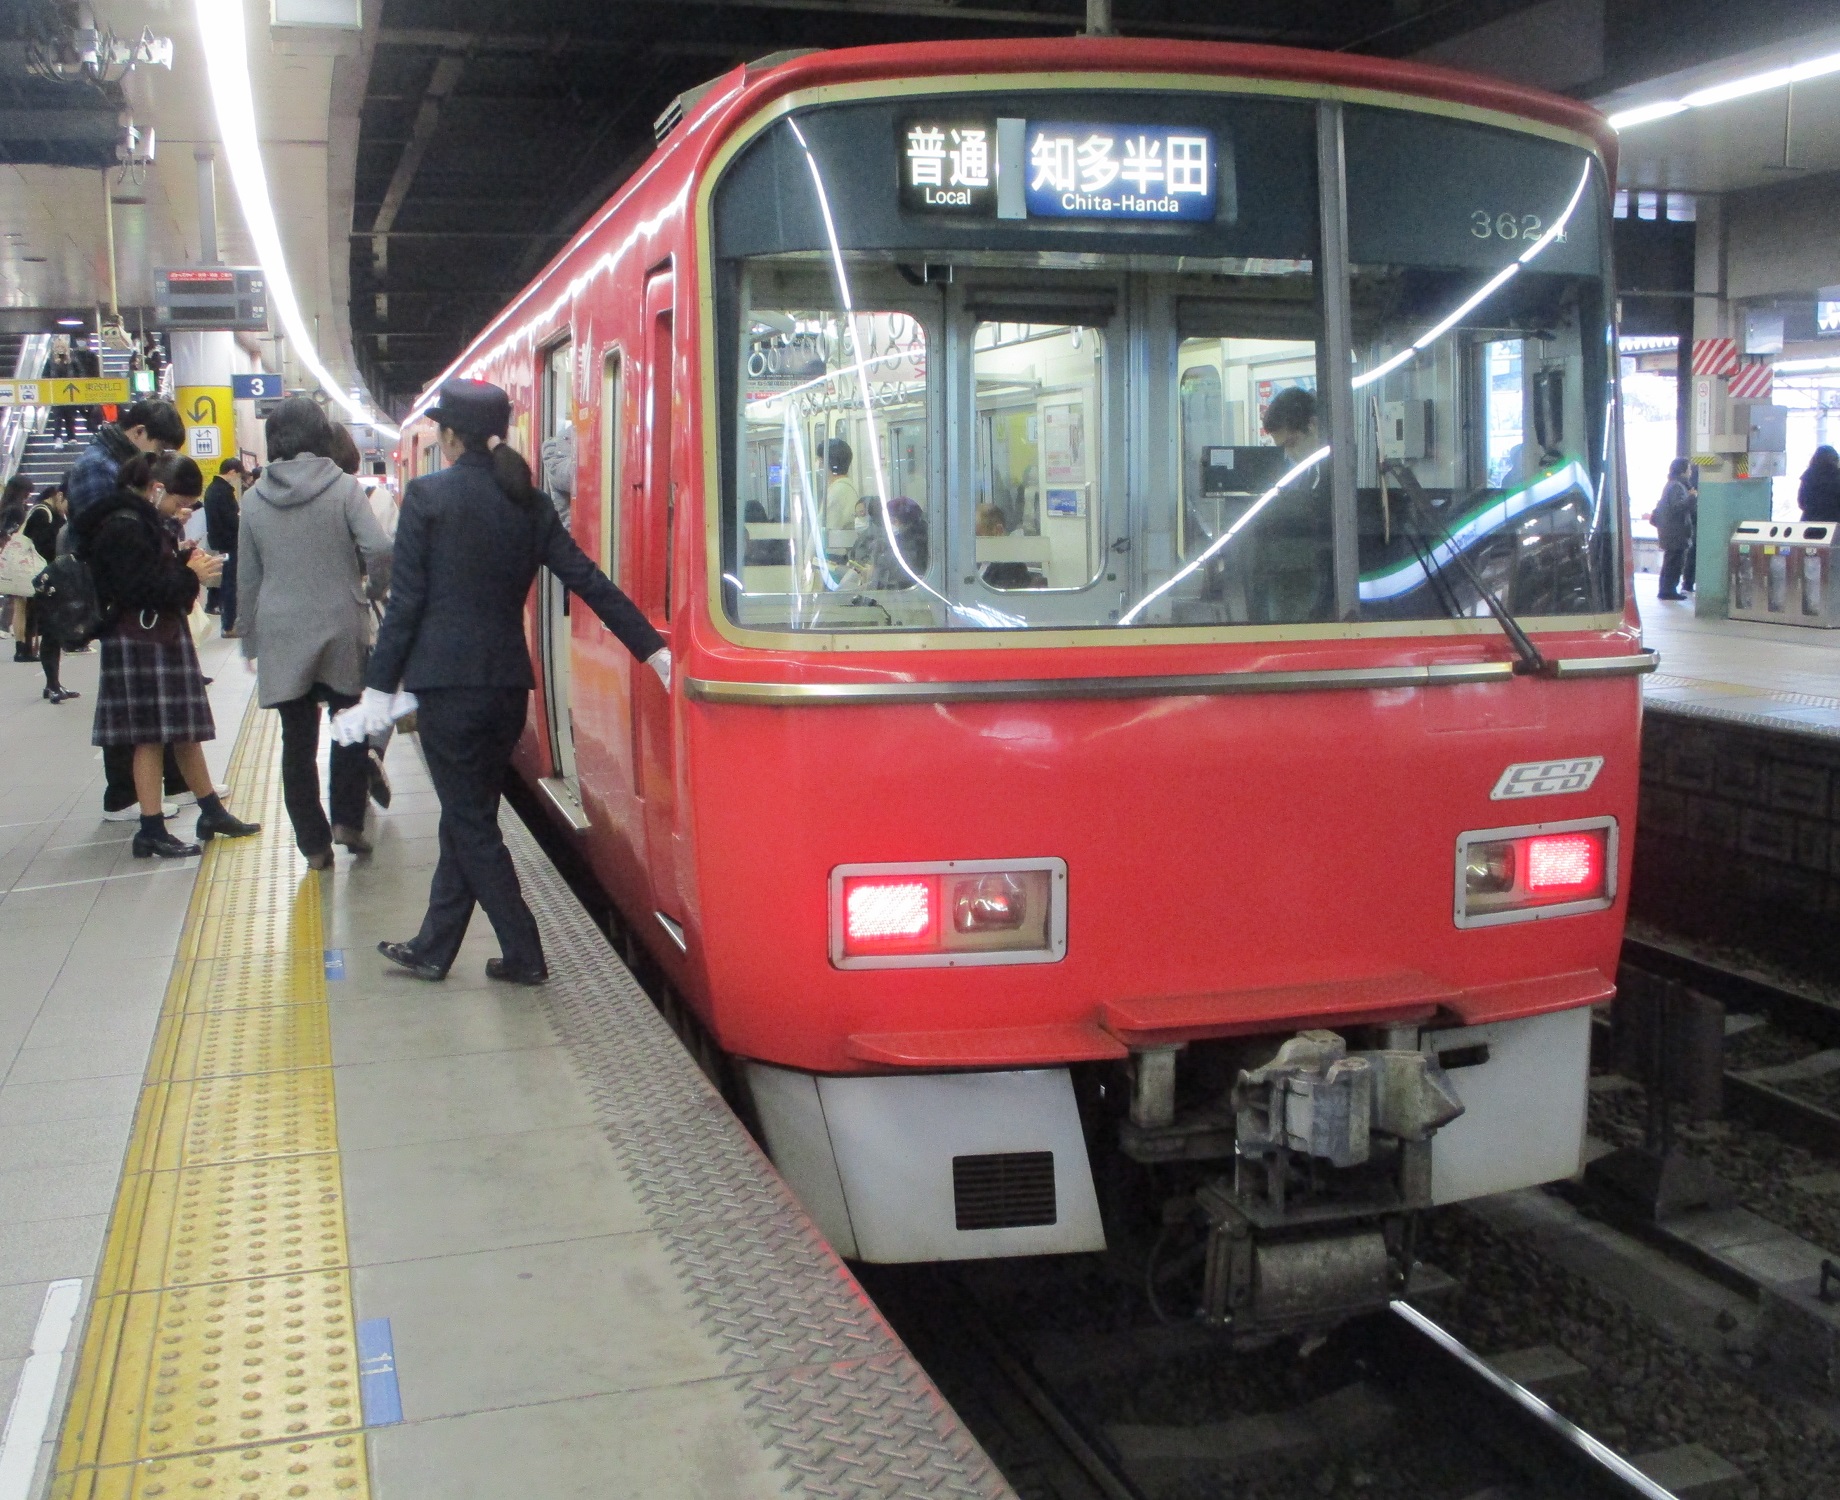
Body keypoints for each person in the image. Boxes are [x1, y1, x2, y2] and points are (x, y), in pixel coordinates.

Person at [345, 379, 668, 985]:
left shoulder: (428, 497)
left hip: (447, 689)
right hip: (506, 689)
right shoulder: (529, 502)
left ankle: (524, 951)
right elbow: (587, 579)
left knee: (470, 822)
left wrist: (377, 690)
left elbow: (406, 604)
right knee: (465, 815)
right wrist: (652, 649)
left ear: (448, 437)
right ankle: (433, 946)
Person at [71, 452, 261, 858]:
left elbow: (146, 577)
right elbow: (143, 589)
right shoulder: (125, 525)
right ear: (157, 489)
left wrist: (180, 559)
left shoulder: (135, 520)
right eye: (179, 502)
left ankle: (211, 811)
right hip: (143, 637)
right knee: (150, 738)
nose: (181, 511)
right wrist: (190, 575)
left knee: (184, 731)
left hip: (153, 635)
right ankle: (151, 828)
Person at [237, 398, 393, 870]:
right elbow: (379, 547)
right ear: (321, 436)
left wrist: (250, 641)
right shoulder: (344, 487)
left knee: (296, 741)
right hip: (340, 620)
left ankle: (313, 844)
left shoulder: (252, 499)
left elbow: (248, 578)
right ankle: (348, 820)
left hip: (281, 628)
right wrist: (372, 589)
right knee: (349, 723)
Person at [23, 485, 76, 702]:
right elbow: (42, 546)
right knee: (50, 634)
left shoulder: (57, 516)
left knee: (55, 634)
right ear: (59, 496)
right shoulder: (42, 514)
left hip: (55, 579)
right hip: (45, 581)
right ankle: (52, 684)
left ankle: (53, 683)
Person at [201, 458, 245, 627]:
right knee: (229, 582)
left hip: (219, 541)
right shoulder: (223, 491)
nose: (237, 479)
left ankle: (227, 621)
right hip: (229, 541)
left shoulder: (212, 489)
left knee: (226, 580)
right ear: (232, 472)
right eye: (238, 475)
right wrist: (240, 520)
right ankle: (229, 623)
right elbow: (230, 519)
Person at [1649, 458, 1694, 601]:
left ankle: (1667, 589)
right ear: (1683, 471)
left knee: (1671, 561)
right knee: (1674, 563)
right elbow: (1677, 507)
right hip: (1675, 532)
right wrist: (1692, 497)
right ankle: (1668, 590)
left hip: (1671, 531)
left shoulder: (1672, 484)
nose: (1691, 472)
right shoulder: (1677, 486)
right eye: (1689, 469)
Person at [2, 474, 33, 658]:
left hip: (6, 554)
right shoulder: (17, 510)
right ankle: (18, 639)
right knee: (19, 600)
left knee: (13, 596)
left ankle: (5, 626)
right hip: (15, 555)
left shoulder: (6, 507)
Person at [46, 336, 80, 447]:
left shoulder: (72, 360)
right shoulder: (51, 360)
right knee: (58, 417)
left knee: (70, 416)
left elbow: (80, 373)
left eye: (61, 346)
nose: (59, 349)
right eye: (57, 347)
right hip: (56, 393)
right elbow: (45, 375)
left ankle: (71, 437)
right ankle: (58, 437)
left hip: (70, 393)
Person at [822, 438, 859, 533]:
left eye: (821, 462)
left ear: (827, 463)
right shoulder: (849, 488)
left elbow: (825, 529)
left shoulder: (836, 492)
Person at [1798, 445, 1840, 523]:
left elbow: (1801, 502)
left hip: (1809, 522)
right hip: (1835, 522)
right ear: (1835, 459)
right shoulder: (1837, 475)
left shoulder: (1808, 475)